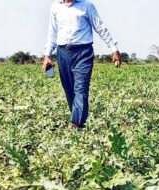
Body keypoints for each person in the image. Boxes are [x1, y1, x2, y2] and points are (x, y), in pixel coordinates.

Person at [42, 0, 121, 129]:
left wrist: (113, 48)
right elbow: (52, 32)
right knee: (69, 89)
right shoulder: (55, 7)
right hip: (63, 52)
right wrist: (47, 55)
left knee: (81, 88)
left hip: (83, 52)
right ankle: (78, 118)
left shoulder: (87, 6)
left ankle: (76, 123)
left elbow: (100, 27)